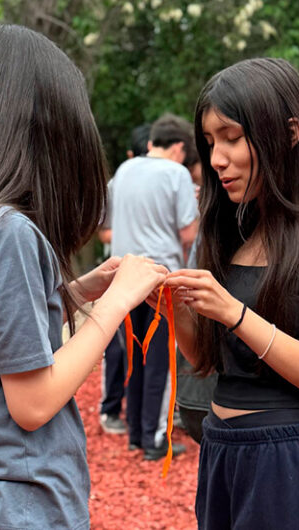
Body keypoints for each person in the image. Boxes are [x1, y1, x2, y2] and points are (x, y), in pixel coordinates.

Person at [0, 24, 168, 529]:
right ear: (41, 126)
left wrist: (78, 295)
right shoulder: (7, 232)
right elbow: (33, 403)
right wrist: (117, 303)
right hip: (18, 510)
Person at [160, 57, 299, 529]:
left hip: (289, 454)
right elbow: (206, 362)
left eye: (233, 138)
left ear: (291, 132)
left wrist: (235, 312)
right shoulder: (234, 226)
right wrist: (172, 302)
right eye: (211, 142)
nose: (217, 159)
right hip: (220, 448)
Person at [107, 113, 198, 460]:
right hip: (162, 278)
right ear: (178, 148)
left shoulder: (123, 171)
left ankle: (135, 433)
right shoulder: (176, 174)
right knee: (160, 360)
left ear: (151, 143)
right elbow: (188, 233)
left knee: (135, 357)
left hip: (125, 274)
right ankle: (156, 437)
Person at [97, 123, 152, 435]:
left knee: (149, 345)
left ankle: (141, 412)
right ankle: (110, 408)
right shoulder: (116, 184)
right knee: (117, 344)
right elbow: (102, 229)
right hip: (121, 271)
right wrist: (134, 234)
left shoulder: (163, 180)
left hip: (151, 273)